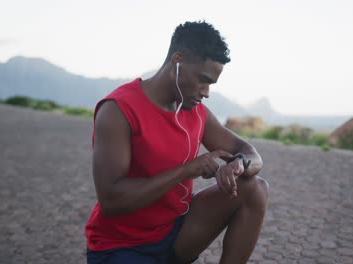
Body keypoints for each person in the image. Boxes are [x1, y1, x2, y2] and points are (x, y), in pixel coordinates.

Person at [85, 21, 269, 264]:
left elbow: (250, 153)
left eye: (211, 84)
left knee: (255, 188)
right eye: (203, 80)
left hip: (176, 232)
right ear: (178, 61)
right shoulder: (118, 109)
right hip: (121, 246)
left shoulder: (195, 111)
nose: (206, 92)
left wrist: (239, 165)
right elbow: (111, 201)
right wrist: (187, 170)